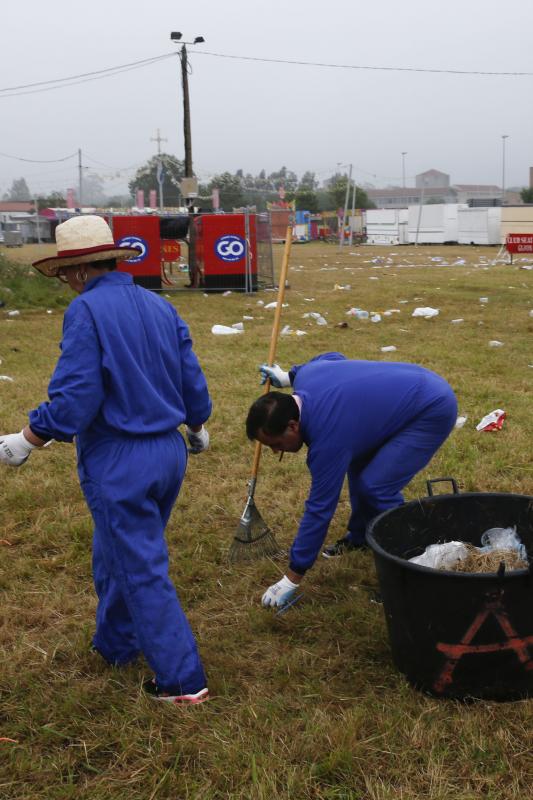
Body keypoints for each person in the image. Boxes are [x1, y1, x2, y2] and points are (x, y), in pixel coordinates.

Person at [0, 215, 212, 705]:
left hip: (120, 458)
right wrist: (198, 426)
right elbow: (191, 378)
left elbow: (76, 398)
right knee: (116, 550)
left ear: (75, 272)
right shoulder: (160, 307)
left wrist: (29, 438)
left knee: (141, 566)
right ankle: (117, 643)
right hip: (169, 453)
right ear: (114, 260)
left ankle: (181, 681)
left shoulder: (85, 311)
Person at [246, 352, 457, 608]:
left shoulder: (328, 441)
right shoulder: (305, 377)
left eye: (276, 444)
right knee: (359, 465)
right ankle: (360, 537)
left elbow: (320, 509)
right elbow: (332, 357)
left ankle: (413, 564)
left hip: (430, 408)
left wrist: (292, 576)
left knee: (376, 485)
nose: (276, 451)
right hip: (414, 381)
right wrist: (287, 375)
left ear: (292, 426)